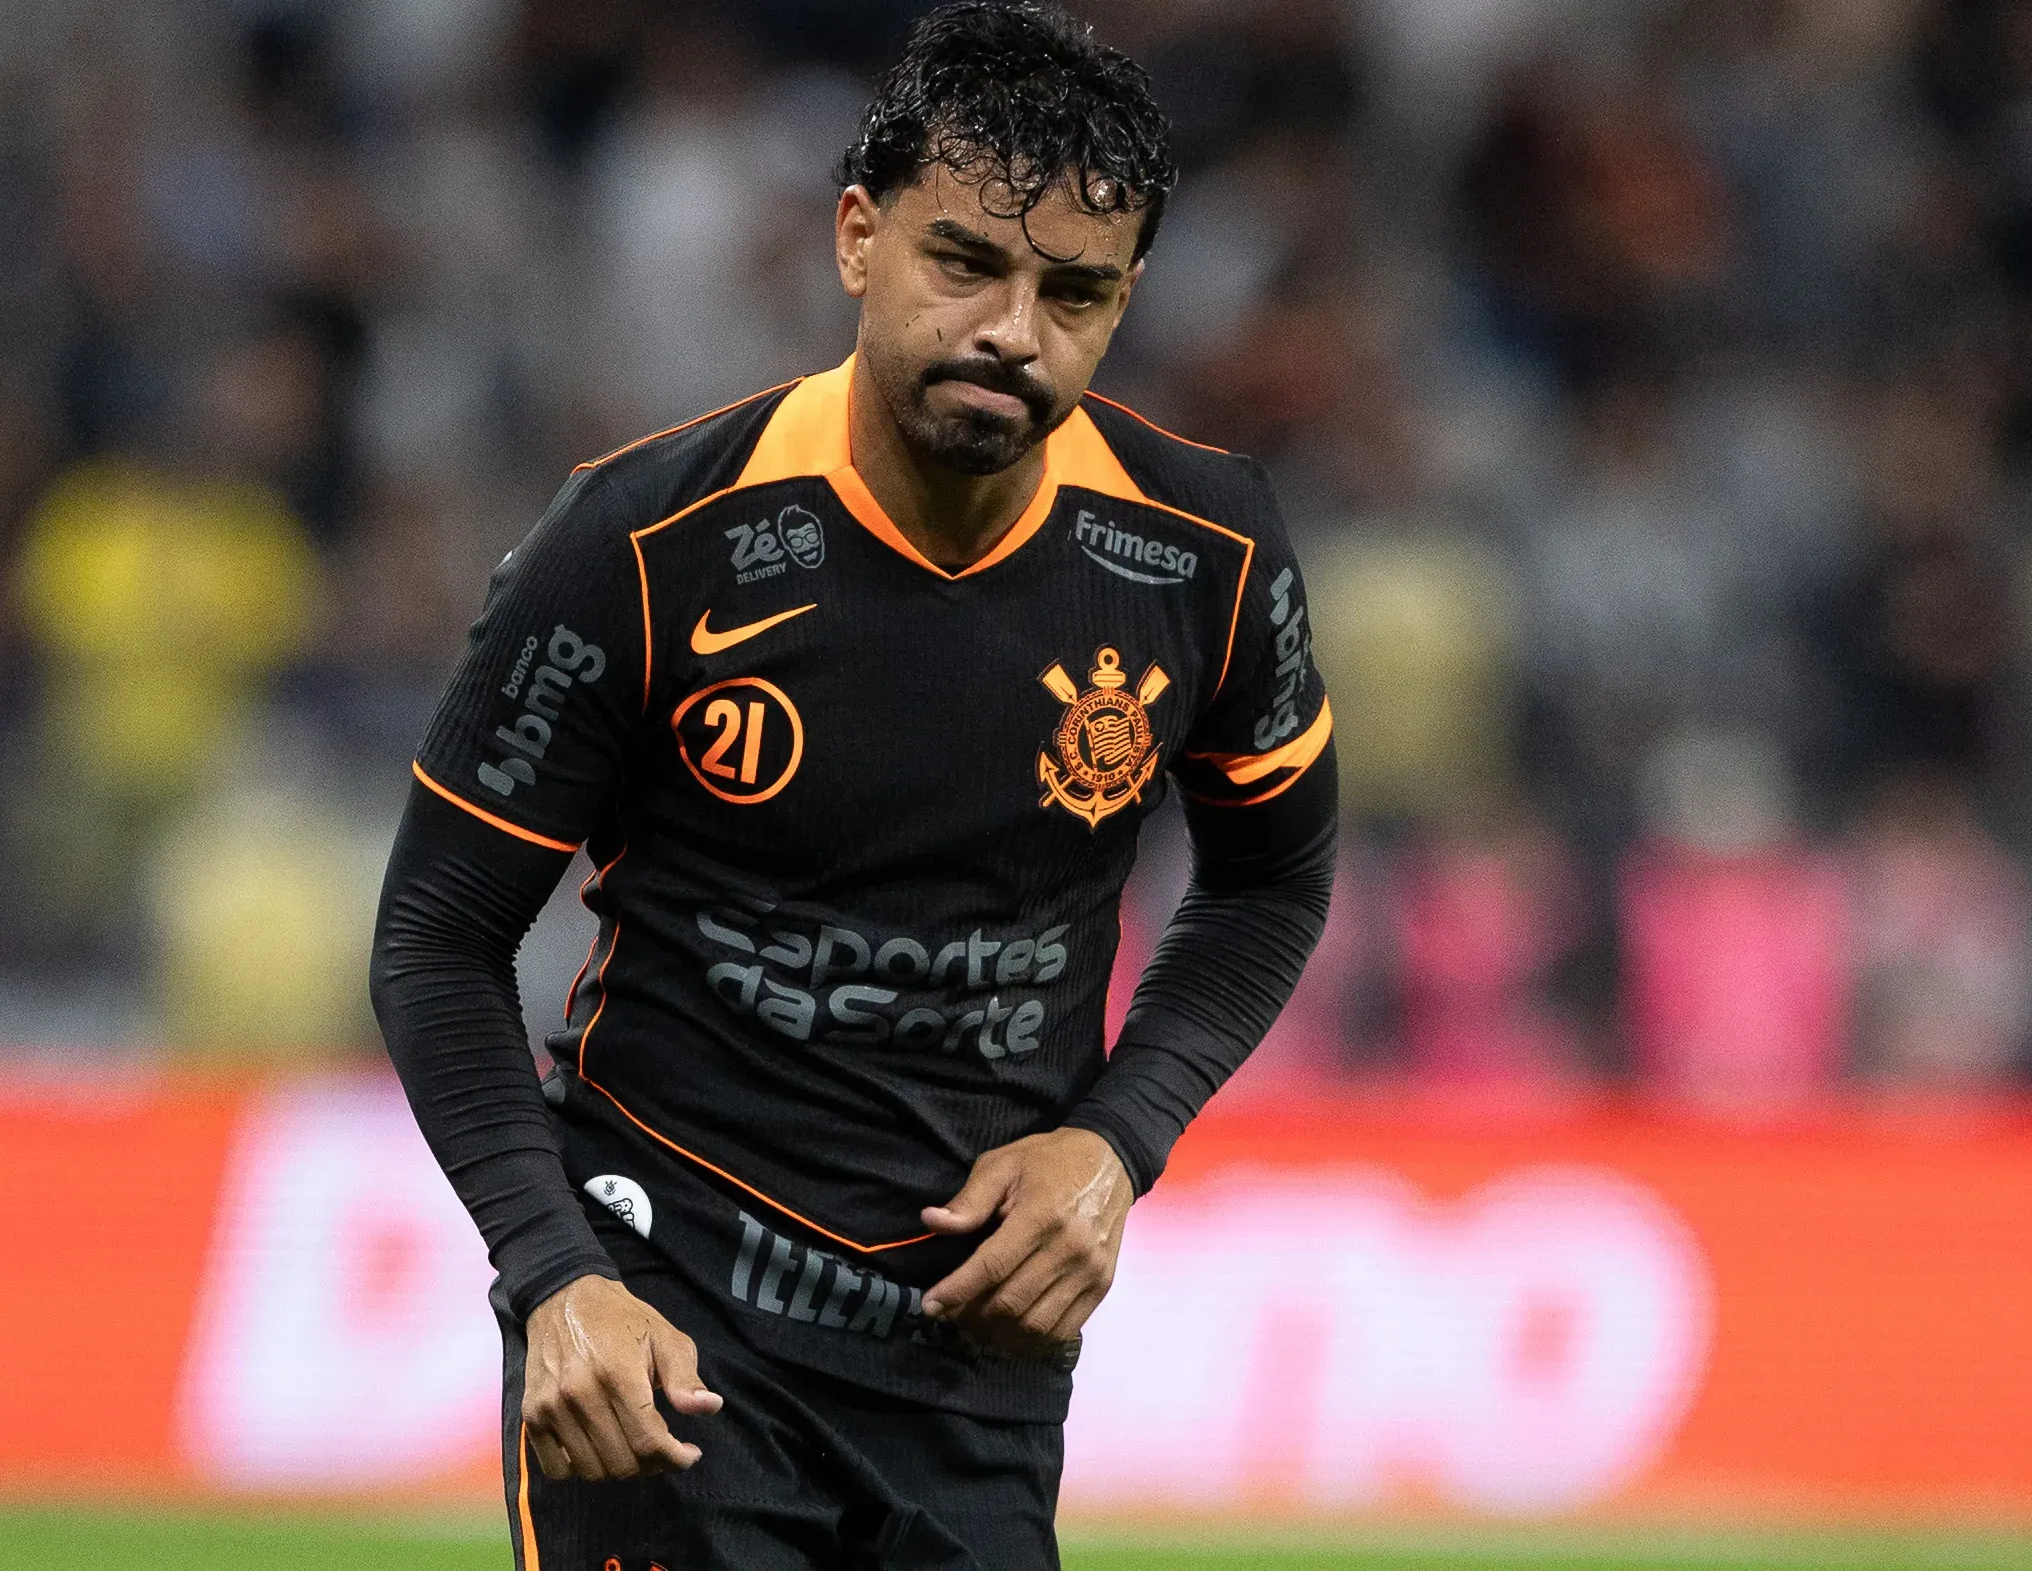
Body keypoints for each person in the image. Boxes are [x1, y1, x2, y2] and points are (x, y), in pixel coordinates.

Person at [370, 5, 1337, 1566]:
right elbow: (435, 933)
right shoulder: (641, 542)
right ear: (857, 237)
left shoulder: (1202, 551)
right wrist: (556, 1276)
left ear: (1126, 299)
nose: (1012, 330)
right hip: (668, 1322)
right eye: (965, 262)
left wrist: (1117, 1139)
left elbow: (1273, 878)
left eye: (1074, 292)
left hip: (975, 1363)